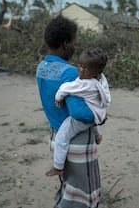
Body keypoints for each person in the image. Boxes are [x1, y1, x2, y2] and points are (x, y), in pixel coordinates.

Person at [36, 15, 101, 208]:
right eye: (74, 42)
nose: (75, 47)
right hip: (77, 141)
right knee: (83, 191)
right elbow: (79, 113)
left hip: (56, 138)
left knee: (67, 184)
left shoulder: (41, 68)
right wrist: (98, 116)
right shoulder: (71, 72)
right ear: (65, 44)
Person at [49, 47, 111, 176]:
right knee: (89, 118)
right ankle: (97, 136)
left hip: (85, 118)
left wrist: (58, 97)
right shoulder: (101, 79)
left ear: (97, 71)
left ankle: (58, 166)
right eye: (80, 65)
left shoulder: (86, 84)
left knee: (61, 137)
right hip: (96, 114)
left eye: (87, 68)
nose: (81, 70)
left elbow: (65, 88)